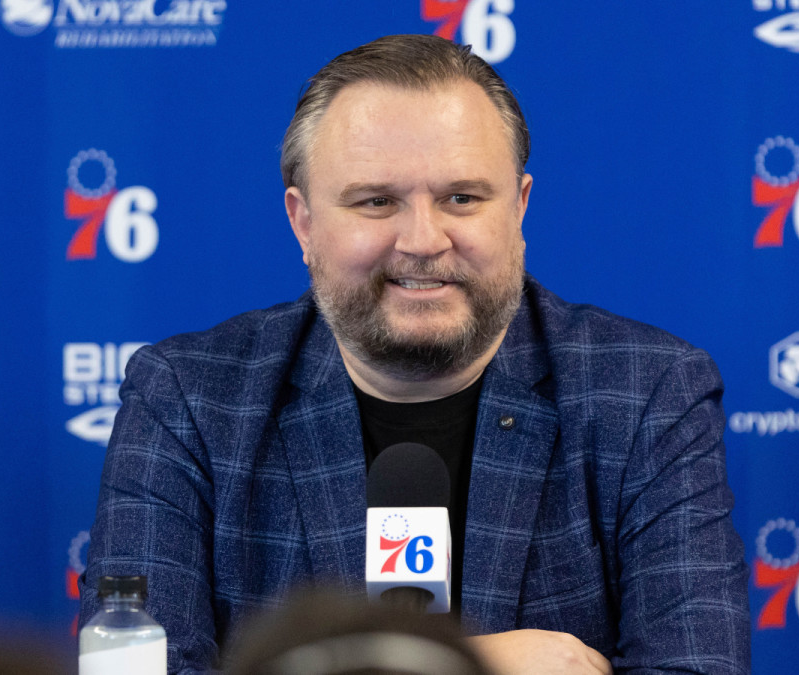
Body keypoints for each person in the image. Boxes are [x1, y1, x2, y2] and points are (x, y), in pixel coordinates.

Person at [81, 34, 750, 674]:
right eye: (377, 201)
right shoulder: (186, 398)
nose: (423, 239)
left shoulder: (649, 392)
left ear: (517, 210)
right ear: (303, 221)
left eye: (462, 197)